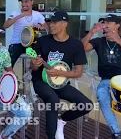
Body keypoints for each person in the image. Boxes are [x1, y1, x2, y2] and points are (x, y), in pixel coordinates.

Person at [30, 11, 93, 139]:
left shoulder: (76, 45)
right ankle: (51, 136)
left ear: (64, 24)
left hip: (61, 82)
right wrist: (35, 64)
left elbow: (78, 73)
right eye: (50, 22)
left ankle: (62, 119)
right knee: (53, 100)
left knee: (87, 104)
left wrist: (60, 73)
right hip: (41, 81)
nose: (51, 25)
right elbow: (33, 67)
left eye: (54, 22)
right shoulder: (43, 41)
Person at [82, 14, 121, 139]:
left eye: (109, 22)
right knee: (102, 95)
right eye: (104, 22)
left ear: (117, 25)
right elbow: (81, 48)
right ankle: (117, 133)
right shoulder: (99, 42)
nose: (105, 25)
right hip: (107, 80)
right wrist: (91, 32)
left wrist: (118, 40)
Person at [3, 0, 47, 67]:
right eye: (22, 2)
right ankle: (8, 77)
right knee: (7, 65)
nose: (24, 4)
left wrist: (40, 25)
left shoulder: (37, 14)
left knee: (40, 59)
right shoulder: (15, 13)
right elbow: (5, 25)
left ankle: (35, 76)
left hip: (31, 45)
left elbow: (46, 27)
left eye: (26, 2)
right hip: (17, 43)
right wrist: (19, 16)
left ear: (32, 2)